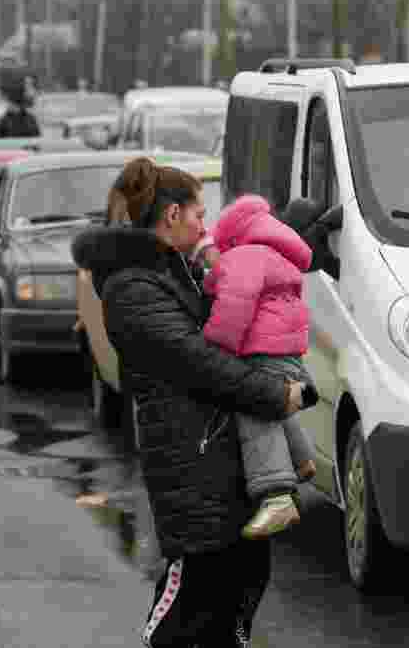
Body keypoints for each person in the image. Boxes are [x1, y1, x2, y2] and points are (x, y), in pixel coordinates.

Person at [71, 158, 308, 647]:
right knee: (189, 603)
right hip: (190, 466)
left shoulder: (173, 270)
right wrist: (275, 395)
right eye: (200, 213)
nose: (206, 225)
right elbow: (199, 362)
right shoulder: (133, 287)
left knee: (240, 586)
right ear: (172, 214)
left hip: (219, 458)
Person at [198, 194, 319, 540]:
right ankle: (301, 460)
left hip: (261, 351)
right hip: (284, 353)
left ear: (232, 237)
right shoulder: (275, 255)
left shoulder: (246, 256)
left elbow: (235, 304)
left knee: (256, 414)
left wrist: (214, 345)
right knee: (277, 408)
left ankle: (276, 495)